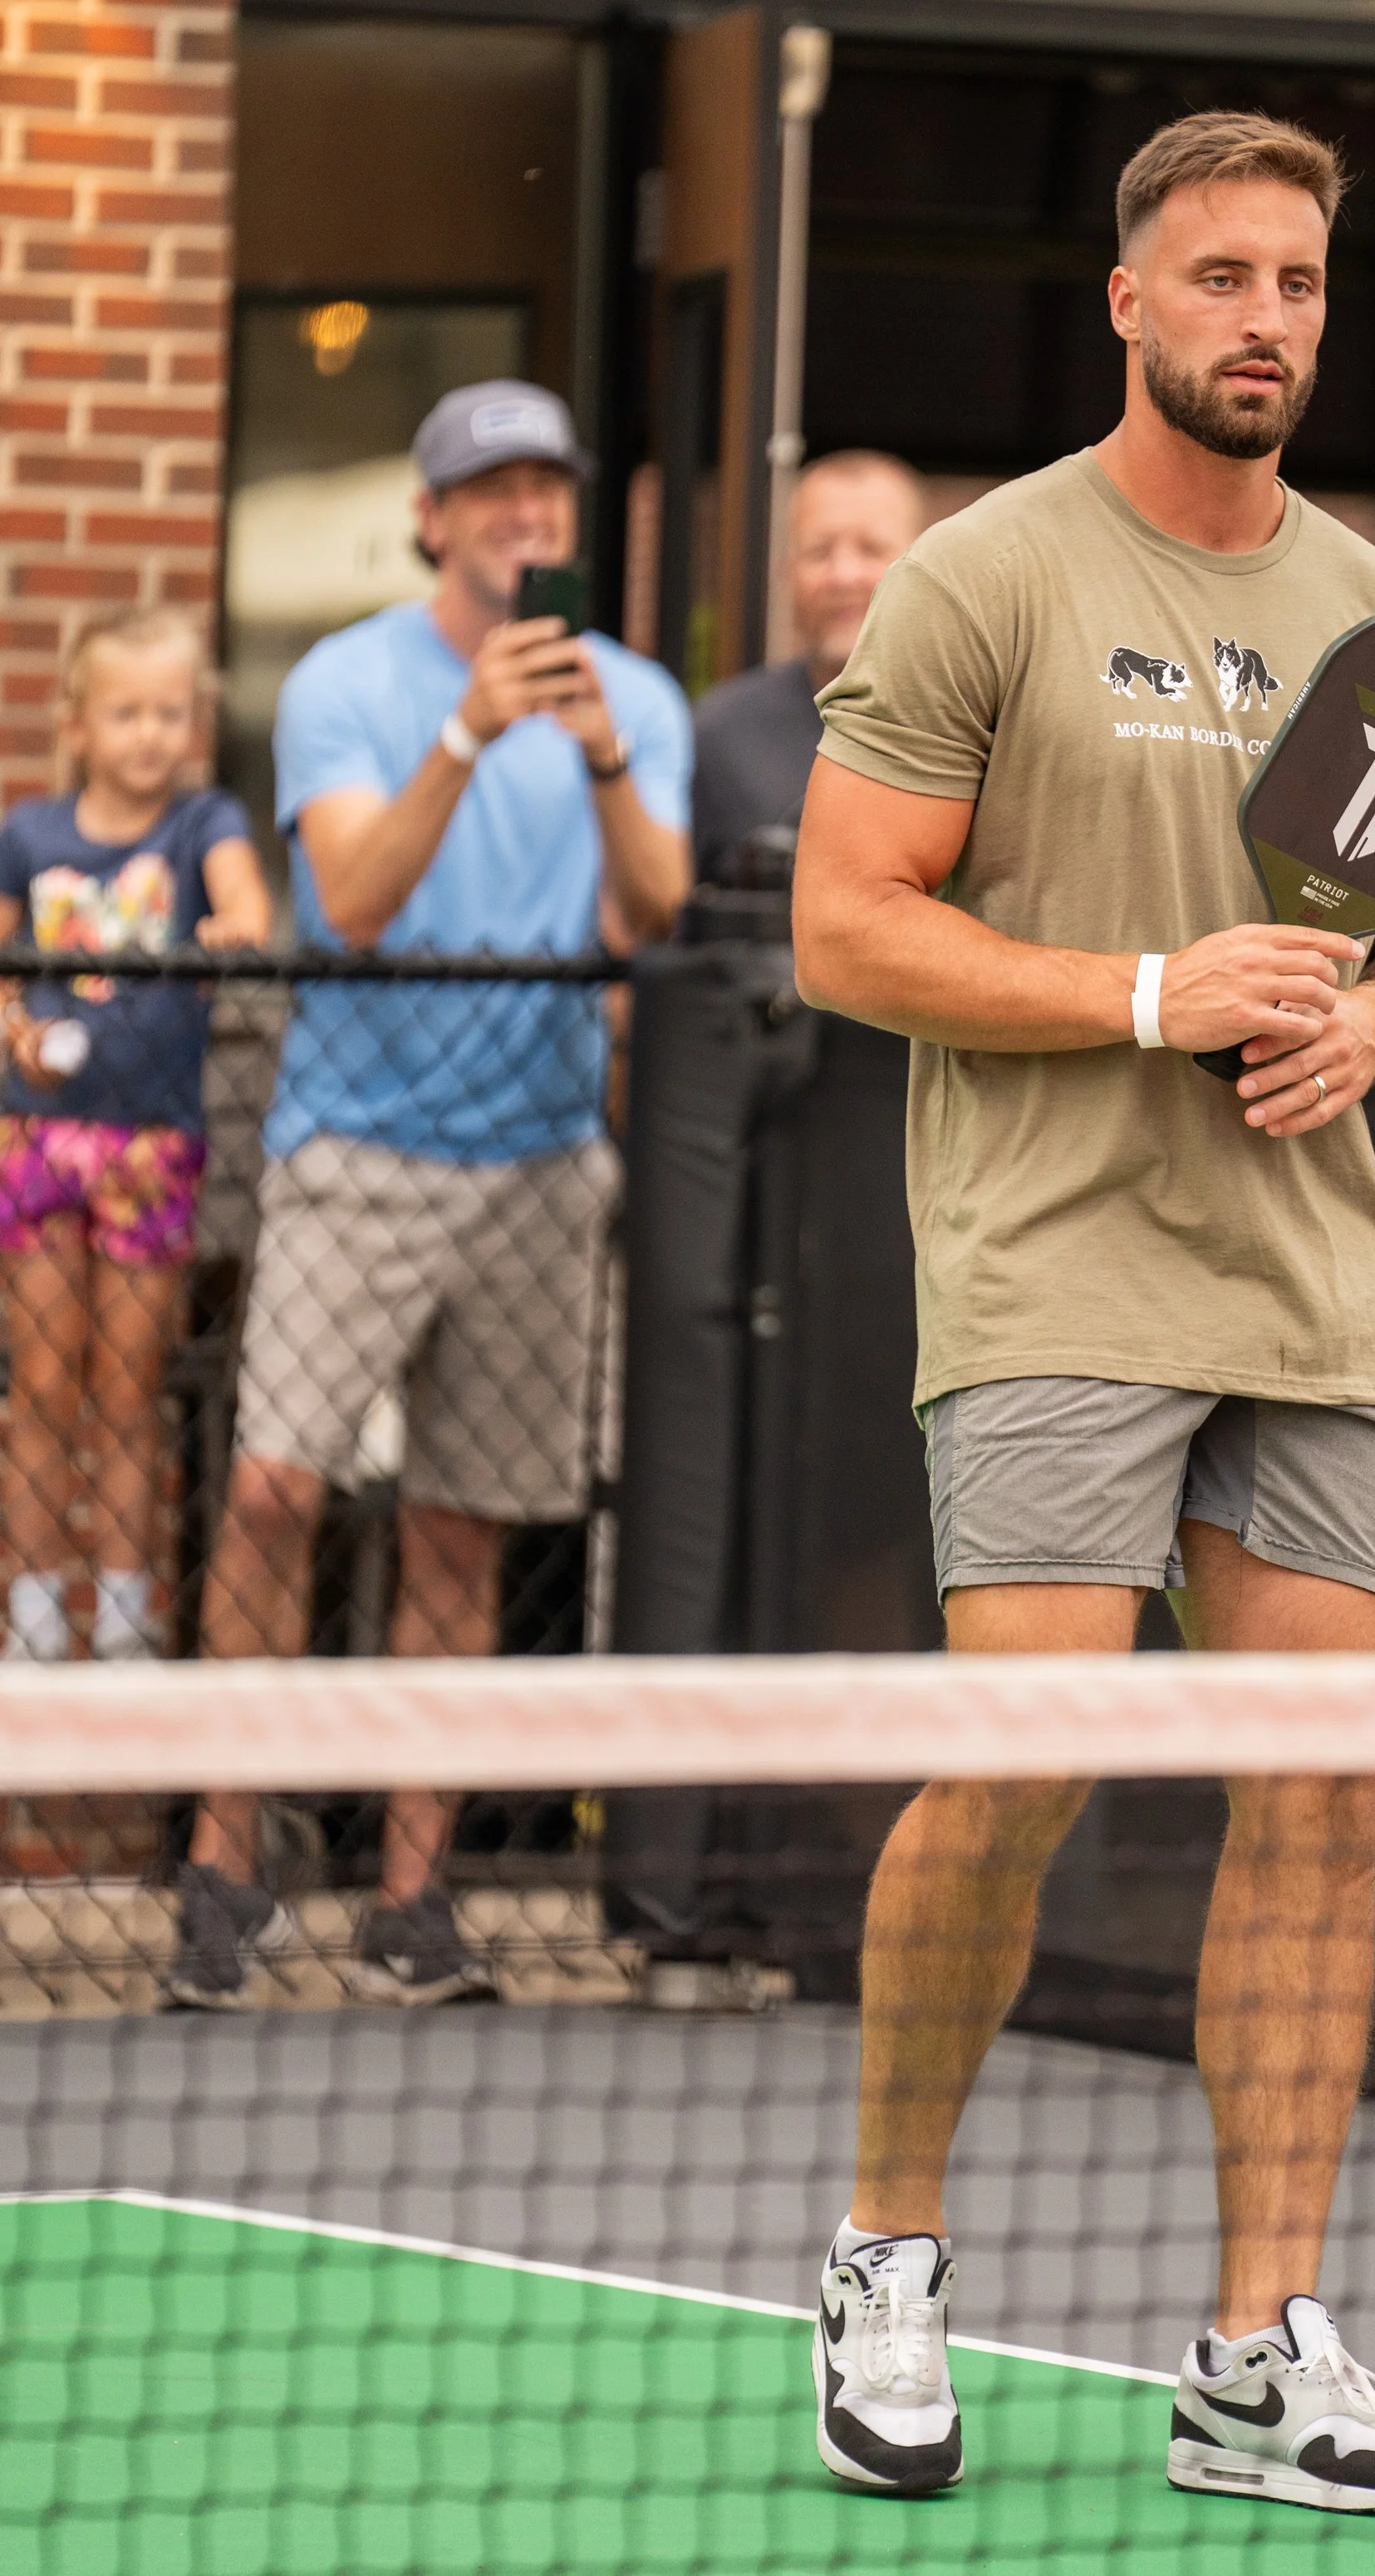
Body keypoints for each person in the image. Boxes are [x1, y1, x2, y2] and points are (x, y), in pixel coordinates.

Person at [793, 112, 1375, 2516]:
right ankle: (883, 2250)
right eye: (1218, 277)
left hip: (1313, 1280)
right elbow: (846, 924)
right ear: (1128, 299)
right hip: (1053, 1258)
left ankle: (1249, 2357)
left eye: (1295, 278)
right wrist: (1147, 984)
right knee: (1022, 1766)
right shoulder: (979, 579)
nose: (1263, 317)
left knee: (1324, 1801)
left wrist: (1373, 1028)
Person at [164, 380, 691, 2013]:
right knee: (270, 1492)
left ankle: (413, 1901)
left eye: (547, 490)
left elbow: (657, 918)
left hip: (538, 1160)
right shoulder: (344, 680)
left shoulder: (640, 699)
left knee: (461, 1532)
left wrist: (600, 756)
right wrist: (468, 730)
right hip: (356, 1145)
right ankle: (221, 1863)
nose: (524, 517)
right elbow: (361, 905)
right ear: (433, 516)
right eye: (492, 492)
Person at [0, 609, 269, 1665]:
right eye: (127, 713)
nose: (151, 734)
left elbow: (246, 908)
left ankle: (121, 1609)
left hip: (152, 1144)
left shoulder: (203, 825)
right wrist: (15, 1028)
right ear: (77, 725)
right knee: (40, 1386)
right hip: (37, 1137)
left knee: (128, 1388)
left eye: (171, 712)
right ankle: (27, 1607)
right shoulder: (29, 835)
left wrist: (229, 931)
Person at [692, 452, 928, 883]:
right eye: (819, 552)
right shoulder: (718, 736)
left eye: (871, 549)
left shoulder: (978, 729)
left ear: (926, 567)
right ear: (787, 573)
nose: (843, 575)